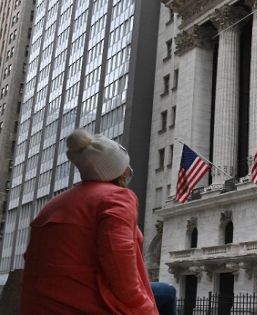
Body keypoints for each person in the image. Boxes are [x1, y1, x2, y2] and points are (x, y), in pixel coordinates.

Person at [21, 129, 158, 314]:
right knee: (165, 295)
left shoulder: (54, 203)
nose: (129, 171)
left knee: (163, 292)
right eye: (127, 166)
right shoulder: (117, 197)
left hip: (38, 305)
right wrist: (143, 308)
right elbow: (118, 256)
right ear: (119, 171)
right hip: (88, 303)